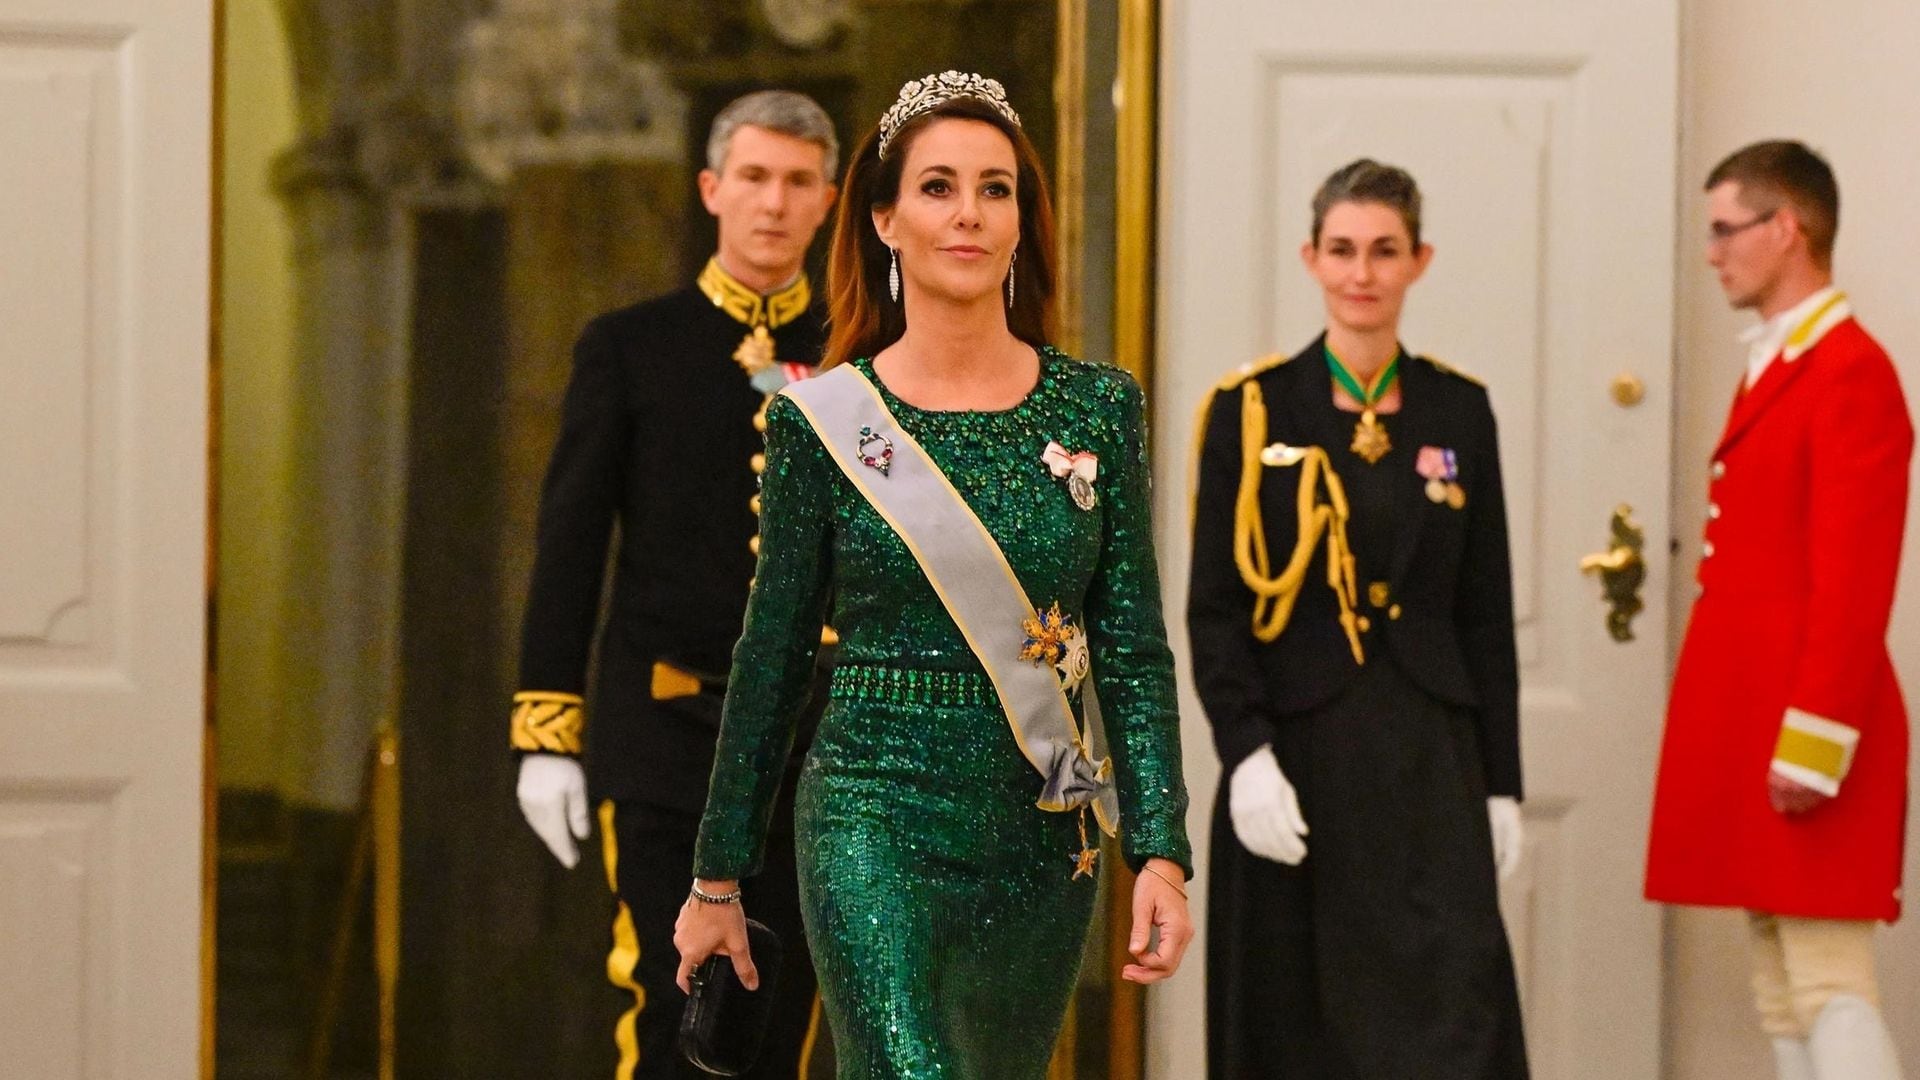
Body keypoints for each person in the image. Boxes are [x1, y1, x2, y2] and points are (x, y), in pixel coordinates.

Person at [672, 71, 1194, 1078]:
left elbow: (1131, 643)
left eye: (995, 189)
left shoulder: (1096, 409)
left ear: (1021, 219)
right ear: (884, 218)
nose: (969, 214)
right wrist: (719, 875)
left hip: (1044, 824)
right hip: (871, 807)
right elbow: (773, 656)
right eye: (939, 186)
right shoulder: (821, 423)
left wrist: (1160, 850)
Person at [508, 90, 840, 1080]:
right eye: (752, 177)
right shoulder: (630, 348)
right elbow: (569, 548)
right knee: (675, 1011)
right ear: (711, 189)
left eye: (796, 182)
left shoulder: (865, 357)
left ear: (828, 200)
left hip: (819, 742)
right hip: (667, 737)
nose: (772, 203)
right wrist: (546, 734)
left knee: (788, 1018)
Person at [1188, 158, 1530, 1079]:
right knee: (1296, 1025)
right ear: (1310, 257)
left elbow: (1484, 613)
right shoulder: (1252, 411)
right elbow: (1215, 609)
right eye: (1342, 249)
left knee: (1451, 1012)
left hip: (1430, 755)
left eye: (1384, 250)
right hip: (1298, 755)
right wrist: (1244, 751)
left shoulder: (1460, 408)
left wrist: (1503, 780)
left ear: (1419, 260)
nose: (1362, 272)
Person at [1645, 140, 1911, 1080]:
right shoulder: (1785, 361)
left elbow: (1855, 580)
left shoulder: (1848, 371)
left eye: (1725, 230)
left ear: (1786, 227)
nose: (1712, 252)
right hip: (1761, 713)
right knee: (1779, 978)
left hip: (1811, 722)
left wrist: (1816, 738)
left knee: (1828, 976)